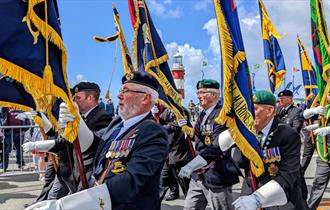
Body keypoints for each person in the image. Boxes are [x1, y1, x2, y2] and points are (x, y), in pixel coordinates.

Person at [26, 72, 169, 210]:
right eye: (121, 90)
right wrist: (77, 121)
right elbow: (95, 142)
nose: (119, 95)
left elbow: (130, 182)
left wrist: (65, 205)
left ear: (145, 98)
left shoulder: (153, 132)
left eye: (126, 91)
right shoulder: (117, 123)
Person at [22, 82, 113, 197]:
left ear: (90, 98)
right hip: (70, 169)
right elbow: (61, 135)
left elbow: (92, 143)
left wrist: (38, 145)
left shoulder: (102, 116)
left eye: (78, 98)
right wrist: (42, 118)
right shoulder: (78, 115)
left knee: (54, 199)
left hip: (86, 173)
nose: (74, 101)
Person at [232, 90, 308, 210]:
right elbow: (239, 163)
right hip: (252, 192)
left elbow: (288, 175)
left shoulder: (287, 134)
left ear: (270, 110)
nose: (248, 115)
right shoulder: (247, 134)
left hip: (281, 197)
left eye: (254, 109)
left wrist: (258, 198)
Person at [179, 79, 240, 210]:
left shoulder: (223, 115)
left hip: (216, 173)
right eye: (198, 92)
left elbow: (217, 146)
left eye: (202, 92)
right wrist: (186, 127)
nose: (198, 96)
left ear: (213, 95)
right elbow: (199, 137)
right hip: (198, 174)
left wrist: (194, 164)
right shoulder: (202, 114)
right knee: (190, 207)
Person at [156, 106, 193, 201]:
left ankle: (191, 201)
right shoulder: (158, 108)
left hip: (178, 150)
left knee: (184, 180)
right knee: (164, 177)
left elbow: (176, 124)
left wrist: (157, 127)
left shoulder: (178, 109)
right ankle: (173, 192)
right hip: (166, 151)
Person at [304, 92, 330, 209]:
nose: (328, 96)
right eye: (328, 94)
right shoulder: (326, 108)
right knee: (318, 184)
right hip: (324, 154)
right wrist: (315, 127)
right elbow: (323, 123)